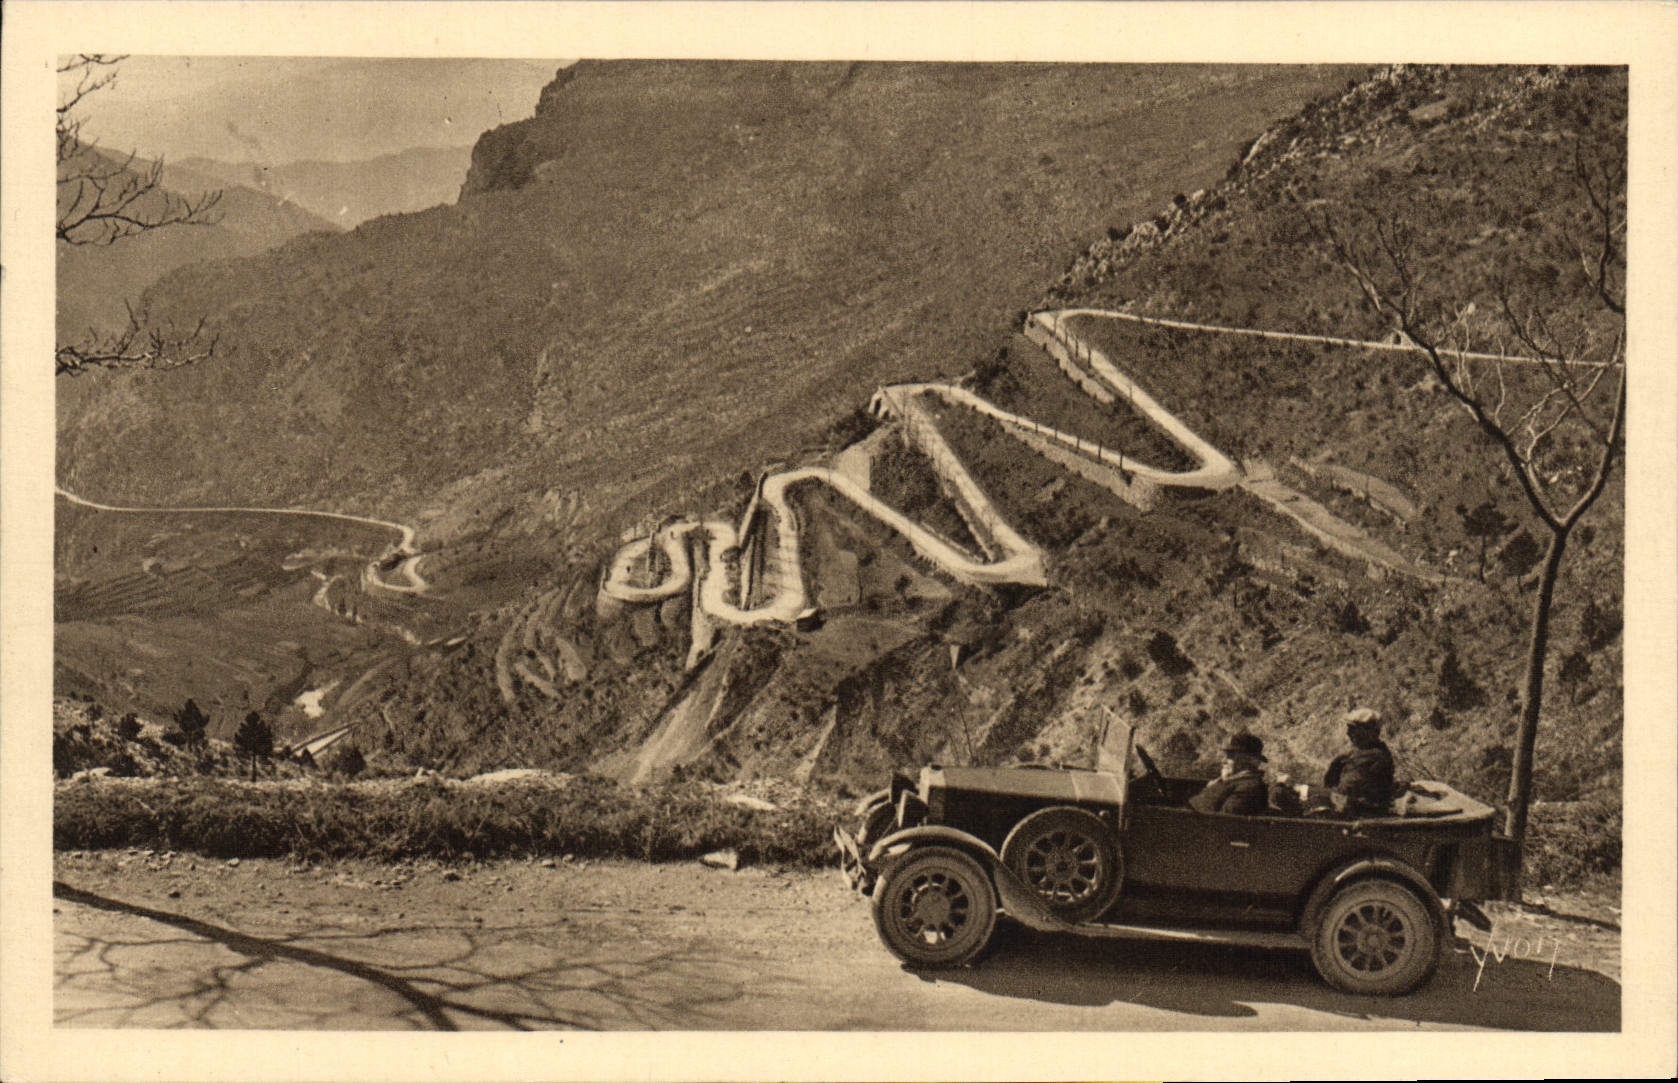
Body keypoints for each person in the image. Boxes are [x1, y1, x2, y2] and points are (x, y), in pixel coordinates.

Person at [1324, 707, 1398, 813]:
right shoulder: (1357, 753)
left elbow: (1347, 789)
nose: (1348, 733)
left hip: (1360, 810)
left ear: (1369, 731)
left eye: (1353, 729)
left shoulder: (1375, 756)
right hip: (1349, 804)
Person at [1190, 731, 1272, 814]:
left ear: (1249, 761)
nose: (1223, 761)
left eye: (1230, 756)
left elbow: (1224, 821)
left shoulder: (1250, 788)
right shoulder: (1230, 781)